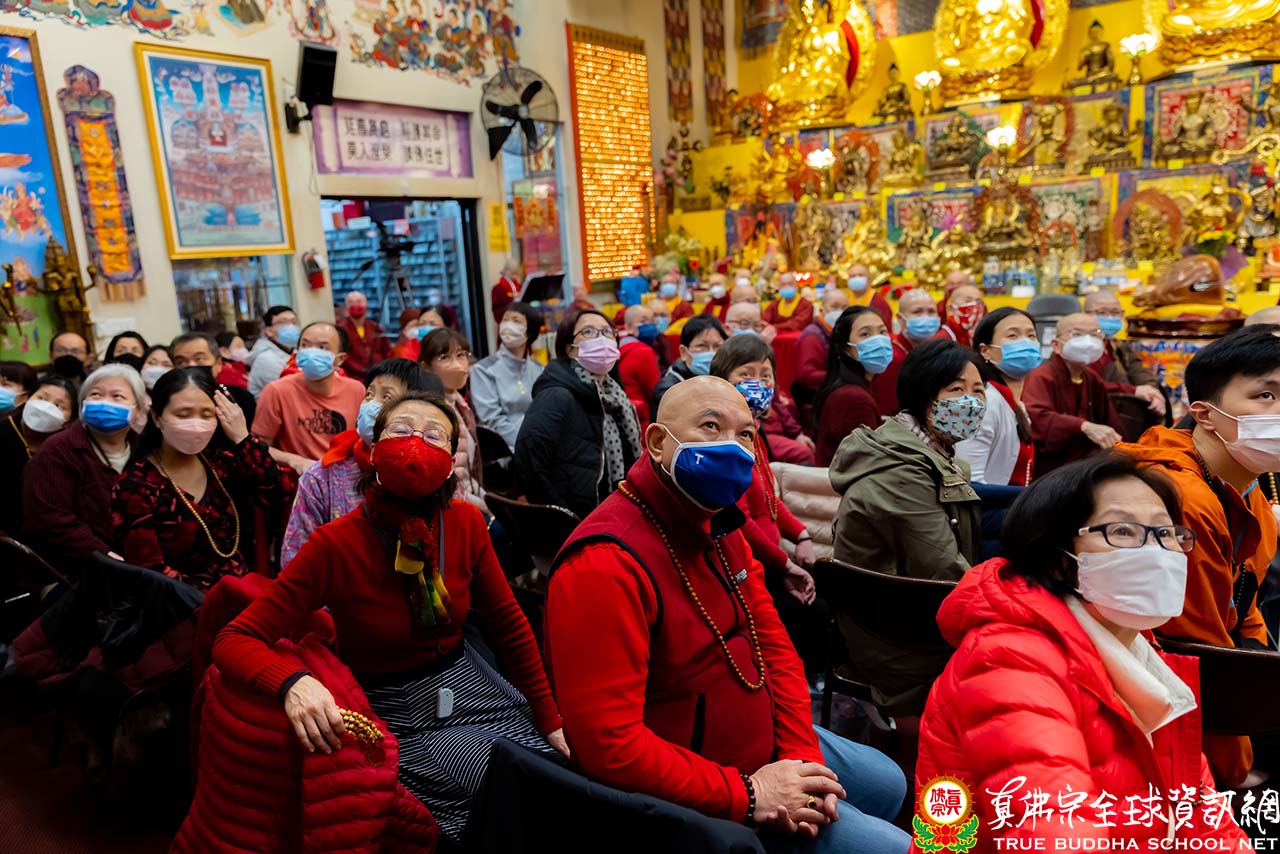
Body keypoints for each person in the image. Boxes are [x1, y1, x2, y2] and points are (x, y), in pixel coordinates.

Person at [546, 376, 910, 854]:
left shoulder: (717, 520)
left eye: (745, 434)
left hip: (765, 741)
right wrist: (752, 795)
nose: (733, 448)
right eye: (711, 427)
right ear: (657, 442)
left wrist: (800, 757)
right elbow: (609, 746)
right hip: (701, 788)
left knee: (889, 781)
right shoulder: (603, 565)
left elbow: (773, 645)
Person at [215, 391, 567, 844]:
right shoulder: (334, 544)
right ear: (373, 449)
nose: (416, 441)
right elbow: (234, 637)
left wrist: (549, 717)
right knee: (500, 794)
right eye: (401, 431)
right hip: (393, 702)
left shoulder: (464, 522)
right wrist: (292, 683)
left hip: (467, 677)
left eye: (434, 435)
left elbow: (508, 623)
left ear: (450, 462)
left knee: (555, 772)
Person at [916, 453, 1250, 853]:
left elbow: (1203, 818)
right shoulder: (1009, 659)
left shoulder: (1143, 657)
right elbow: (1054, 830)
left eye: (1166, 533)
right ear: (1061, 559)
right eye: (1122, 531)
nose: (1156, 551)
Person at [1118, 326, 1280, 788]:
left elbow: (1244, 608)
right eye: (1266, 395)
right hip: (1158, 703)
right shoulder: (1181, 498)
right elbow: (1195, 648)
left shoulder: (1251, 493)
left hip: (1219, 684)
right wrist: (1237, 767)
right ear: (1205, 414)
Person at [828, 339, 984, 714]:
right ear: (923, 398)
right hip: (894, 635)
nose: (971, 402)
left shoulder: (936, 454)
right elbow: (942, 569)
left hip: (917, 616)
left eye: (978, 391)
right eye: (956, 390)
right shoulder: (900, 472)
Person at [109, 368, 285, 591]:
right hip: (181, 602)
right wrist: (212, 601)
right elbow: (150, 572)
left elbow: (276, 495)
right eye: (183, 415)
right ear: (156, 417)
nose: (196, 424)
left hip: (240, 592)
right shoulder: (135, 486)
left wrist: (242, 438)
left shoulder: (220, 463)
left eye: (206, 415)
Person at [282, 358, 440, 568]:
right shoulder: (321, 478)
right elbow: (295, 561)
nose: (371, 404)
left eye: (386, 396)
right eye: (369, 395)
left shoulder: (435, 474)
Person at [514, 308, 642, 518]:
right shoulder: (556, 395)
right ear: (569, 348)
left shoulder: (615, 396)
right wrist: (561, 515)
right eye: (588, 332)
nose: (601, 339)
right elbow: (528, 459)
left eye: (607, 332)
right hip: (577, 518)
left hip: (616, 510)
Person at [23, 364, 143, 572]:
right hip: (77, 568)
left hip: (140, 560)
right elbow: (52, 520)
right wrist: (105, 556)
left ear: (137, 411)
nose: (104, 403)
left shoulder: (145, 450)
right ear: (82, 405)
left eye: (117, 396)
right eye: (95, 394)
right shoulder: (58, 450)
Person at [253, 321, 364, 474]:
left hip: (343, 477)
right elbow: (258, 446)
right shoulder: (277, 391)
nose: (311, 352)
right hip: (298, 479)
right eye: (305, 345)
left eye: (322, 347)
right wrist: (295, 460)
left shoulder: (356, 390)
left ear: (340, 359)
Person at [1023, 312, 1125, 476]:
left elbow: (1110, 422)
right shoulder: (1041, 376)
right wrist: (1083, 426)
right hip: (1049, 469)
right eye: (1077, 334)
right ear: (1056, 345)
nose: (1088, 341)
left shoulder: (1090, 378)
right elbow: (1036, 417)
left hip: (1084, 466)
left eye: (1095, 335)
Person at [957, 308, 1039, 487]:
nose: (1025, 343)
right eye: (1012, 336)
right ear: (985, 350)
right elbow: (969, 481)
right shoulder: (983, 402)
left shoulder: (1015, 402)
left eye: (1031, 336)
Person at [0, 375, 76, 535]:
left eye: (58, 405)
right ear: (27, 399)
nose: (46, 407)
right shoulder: (4, 431)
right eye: (41, 398)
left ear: (69, 421)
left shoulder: (67, 449)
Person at [812, 306, 888, 467]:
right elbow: (867, 463)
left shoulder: (859, 386)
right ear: (846, 348)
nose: (878, 340)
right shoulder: (852, 398)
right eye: (865, 334)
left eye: (882, 332)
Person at [419, 328, 485, 509]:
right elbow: (449, 483)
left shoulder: (460, 404)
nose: (456, 365)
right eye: (444, 358)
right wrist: (483, 507)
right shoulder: (432, 413)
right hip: (449, 506)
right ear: (425, 367)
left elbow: (467, 474)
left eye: (461, 355)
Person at [471, 301, 544, 451]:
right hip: (507, 450)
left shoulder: (539, 369)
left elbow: (545, 411)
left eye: (516, 321)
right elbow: (492, 420)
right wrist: (527, 443)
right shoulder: (483, 369)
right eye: (505, 320)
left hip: (541, 444)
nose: (508, 325)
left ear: (529, 332)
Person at [1084, 290, 1166, 417]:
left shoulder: (1119, 346)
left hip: (1124, 407)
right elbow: (1089, 386)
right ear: (1085, 315)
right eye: (1101, 313)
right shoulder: (1081, 349)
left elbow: (1139, 372)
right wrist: (1134, 390)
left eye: (1115, 312)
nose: (1110, 318)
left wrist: (1152, 391)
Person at [878, 289, 947, 417]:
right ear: (900, 318)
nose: (926, 317)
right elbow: (890, 409)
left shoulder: (934, 351)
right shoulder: (892, 358)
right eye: (917, 312)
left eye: (931, 311)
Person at [171, 331, 257, 427]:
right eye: (181, 362)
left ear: (218, 363)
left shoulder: (242, 398)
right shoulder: (169, 402)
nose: (191, 365)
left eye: (199, 359)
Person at [652, 314, 727, 414]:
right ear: (683, 352)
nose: (711, 352)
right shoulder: (669, 389)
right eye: (702, 346)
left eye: (717, 346)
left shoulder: (726, 379)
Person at [793, 287, 850, 409]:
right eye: (834, 307)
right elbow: (806, 375)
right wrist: (843, 374)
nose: (840, 312)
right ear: (821, 310)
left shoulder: (839, 332)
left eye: (844, 308)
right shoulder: (812, 336)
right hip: (816, 398)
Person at [617, 304, 662, 428]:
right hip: (642, 419)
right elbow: (654, 391)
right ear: (628, 327)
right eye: (643, 321)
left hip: (625, 415)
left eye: (652, 320)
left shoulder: (620, 346)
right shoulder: (643, 351)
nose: (650, 325)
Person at [336, 290, 391, 382]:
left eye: (359, 301)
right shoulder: (341, 330)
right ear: (346, 307)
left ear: (366, 305)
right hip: (353, 378)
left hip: (379, 375)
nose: (355, 305)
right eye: (350, 302)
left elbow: (387, 351)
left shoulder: (376, 328)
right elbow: (343, 355)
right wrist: (362, 370)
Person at [247, 305, 300, 397]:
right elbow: (294, 390)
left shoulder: (293, 351)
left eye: (294, 321)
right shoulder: (266, 359)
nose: (291, 326)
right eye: (283, 322)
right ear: (269, 331)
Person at [843, 263, 892, 329]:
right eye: (852, 276)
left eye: (860, 275)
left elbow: (885, 329)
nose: (856, 278)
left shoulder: (879, 302)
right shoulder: (845, 302)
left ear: (869, 280)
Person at [940, 278, 986, 347]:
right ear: (952, 309)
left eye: (978, 301)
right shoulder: (943, 339)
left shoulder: (980, 335)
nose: (975, 305)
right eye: (968, 301)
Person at [491, 257, 522, 329]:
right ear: (506, 271)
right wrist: (510, 307)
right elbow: (496, 311)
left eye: (516, 274)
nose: (515, 276)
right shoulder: (497, 289)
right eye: (512, 273)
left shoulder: (519, 287)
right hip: (506, 326)